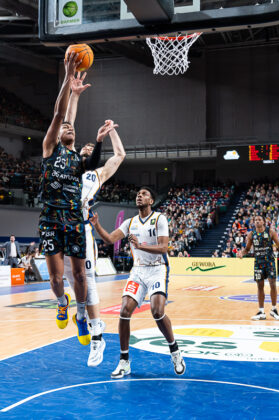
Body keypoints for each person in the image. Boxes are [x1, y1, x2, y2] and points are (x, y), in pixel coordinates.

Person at [39, 52, 115, 346]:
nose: (69, 127)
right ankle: (62, 302)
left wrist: (97, 141)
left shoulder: (77, 159)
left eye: (72, 127)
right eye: (65, 129)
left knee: (80, 277)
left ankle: (81, 315)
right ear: (58, 136)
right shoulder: (50, 148)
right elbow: (61, 116)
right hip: (49, 219)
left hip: (72, 220)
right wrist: (68, 82)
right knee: (57, 280)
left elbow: (95, 159)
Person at [63, 71, 126, 366]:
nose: (87, 148)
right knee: (63, 280)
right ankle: (76, 312)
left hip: (80, 226)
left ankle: (97, 336)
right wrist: (74, 96)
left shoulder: (98, 174)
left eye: (91, 148)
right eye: (84, 147)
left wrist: (111, 129)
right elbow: (67, 127)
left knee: (86, 279)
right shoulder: (72, 161)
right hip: (57, 221)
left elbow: (120, 156)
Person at [91, 187, 186, 378]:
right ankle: (124, 362)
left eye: (144, 194)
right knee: (124, 311)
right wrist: (97, 225)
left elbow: (163, 248)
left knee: (157, 312)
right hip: (138, 271)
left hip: (158, 269)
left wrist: (140, 245)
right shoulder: (130, 222)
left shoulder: (160, 219)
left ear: (151, 200)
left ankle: (175, 352)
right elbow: (110, 239)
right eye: (138, 194)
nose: (139, 196)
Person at [238, 214, 279, 320]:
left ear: (263, 222)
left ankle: (274, 309)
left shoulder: (270, 232)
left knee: (273, 284)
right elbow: (247, 249)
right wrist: (242, 253)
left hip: (269, 262)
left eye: (259, 219)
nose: (257, 221)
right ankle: (261, 312)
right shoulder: (251, 234)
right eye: (255, 220)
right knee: (260, 287)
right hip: (258, 263)